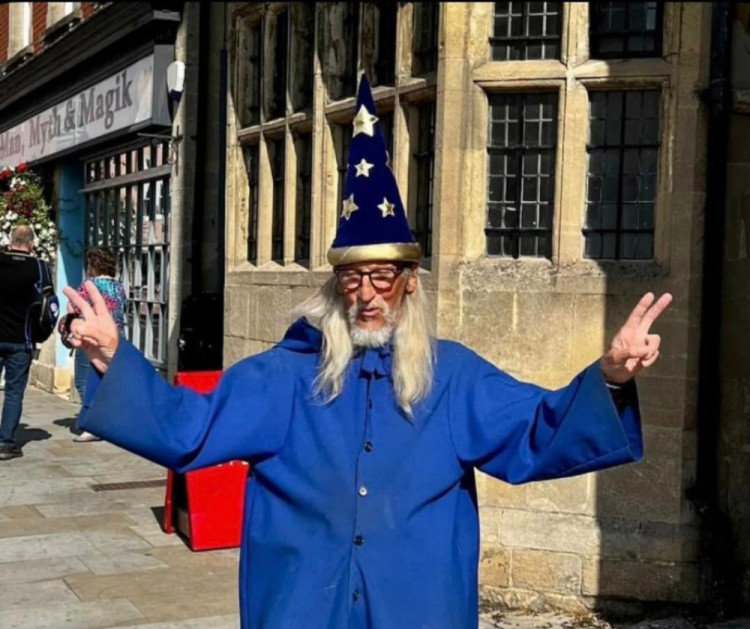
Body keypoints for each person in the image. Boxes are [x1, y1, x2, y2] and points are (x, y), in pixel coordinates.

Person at [63, 76, 672, 629]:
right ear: (335, 287)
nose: (367, 295)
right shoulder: (285, 375)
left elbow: (537, 430)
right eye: (353, 280)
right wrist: (115, 356)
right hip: (301, 606)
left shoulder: (450, 376)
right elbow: (187, 429)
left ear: (411, 282)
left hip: (418, 607)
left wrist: (610, 377)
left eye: (383, 277)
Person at [0, 225, 53, 460]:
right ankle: (5, 443)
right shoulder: (39, 268)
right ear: (31, 245)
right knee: (13, 392)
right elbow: (49, 305)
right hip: (22, 340)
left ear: (10, 241)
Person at [70, 247, 127, 442]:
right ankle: (107, 421)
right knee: (106, 381)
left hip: (92, 339)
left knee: (84, 380)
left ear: (92, 265)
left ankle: (93, 423)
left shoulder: (89, 285)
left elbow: (76, 308)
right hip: (116, 338)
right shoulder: (119, 286)